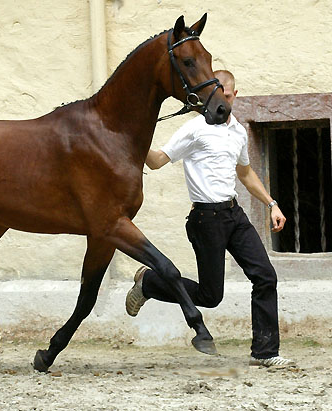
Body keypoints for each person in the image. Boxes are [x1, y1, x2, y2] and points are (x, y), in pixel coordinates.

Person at [126, 70, 295, 367]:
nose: (222, 101)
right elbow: (157, 161)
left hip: (234, 214)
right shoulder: (195, 128)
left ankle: (265, 352)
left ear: (234, 94)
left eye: (227, 96)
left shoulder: (239, 131)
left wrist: (272, 204)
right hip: (206, 219)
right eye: (218, 95)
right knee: (210, 296)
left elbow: (245, 173)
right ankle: (150, 282)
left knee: (265, 276)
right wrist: (133, 136)